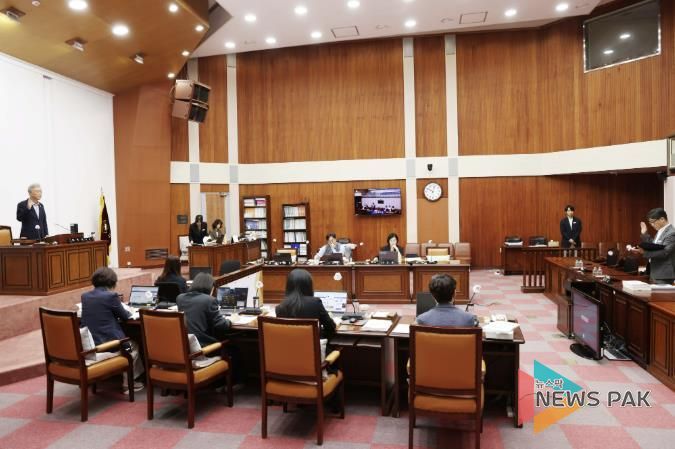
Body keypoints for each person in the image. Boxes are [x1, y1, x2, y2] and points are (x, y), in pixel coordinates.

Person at [80, 267, 144, 392]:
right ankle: (128, 382)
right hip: (108, 344)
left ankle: (134, 377)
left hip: (91, 343)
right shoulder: (111, 296)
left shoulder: (85, 296)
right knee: (134, 345)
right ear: (112, 282)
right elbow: (125, 316)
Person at [276, 268, 336, 339]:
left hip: (288, 345)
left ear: (289, 286)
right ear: (308, 285)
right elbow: (331, 327)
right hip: (312, 345)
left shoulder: (280, 307)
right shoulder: (315, 303)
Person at [176, 273, 231, 346]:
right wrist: (230, 321)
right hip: (203, 345)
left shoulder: (180, 298)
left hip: (184, 344)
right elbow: (222, 325)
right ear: (210, 287)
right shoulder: (209, 300)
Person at [631, 208, 675, 284]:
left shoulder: (671, 233)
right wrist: (644, 233)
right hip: (655, 271)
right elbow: (654, 246)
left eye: (653, 222)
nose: (652, 225)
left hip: (663, 274)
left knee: (660, 292)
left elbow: (664, 252)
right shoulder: (660, 231)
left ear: (662, 219)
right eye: (650, 223)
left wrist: (644, 252)